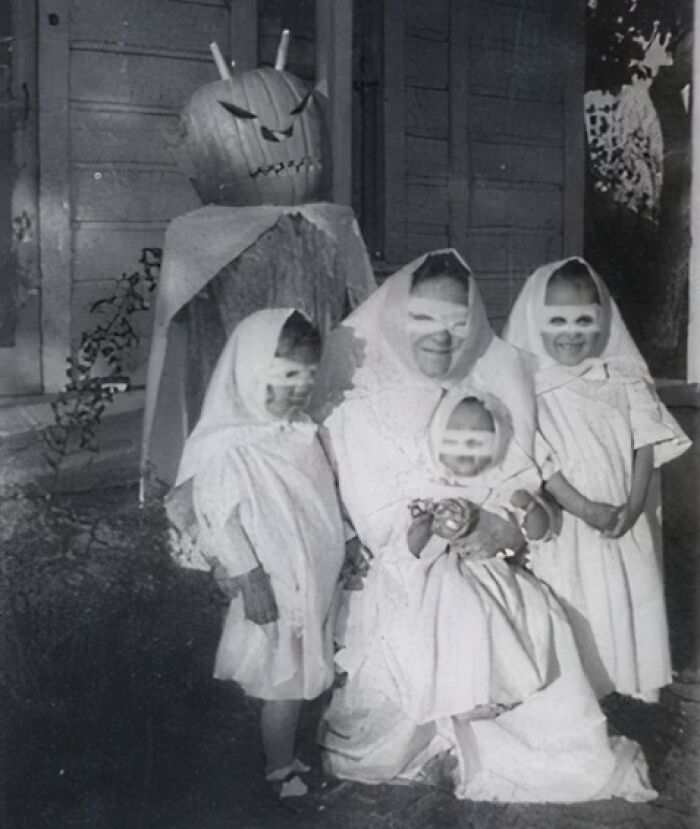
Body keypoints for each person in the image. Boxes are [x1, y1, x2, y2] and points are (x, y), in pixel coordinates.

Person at [313, 249, 656, 802]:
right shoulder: (360, 403)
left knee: (533, 627)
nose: (442, 337)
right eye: (426, 320)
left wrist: (500, 527)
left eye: (457, 323)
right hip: (402, 572)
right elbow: (352, 506)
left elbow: (521, 485)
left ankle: (483, 736)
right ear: (401, 318)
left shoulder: (494, 385)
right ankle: (436, 740)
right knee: (395, 676)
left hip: (482, 566)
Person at [166, 308, 345, 798]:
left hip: (314, 574)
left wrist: (345, 540)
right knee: (282, 683)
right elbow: (218, 520)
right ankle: (278, 770)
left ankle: (290, 755)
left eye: (308, 374)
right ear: (249, 371)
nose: (301, 386)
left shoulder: (302, 433)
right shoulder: (230, 446)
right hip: (276, 580)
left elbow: (322, 497)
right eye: (287, 374)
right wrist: (249, 578)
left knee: (306, 671)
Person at [503, 257, 690, 702]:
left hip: (624, 513)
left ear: (602, 320)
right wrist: (584, 508)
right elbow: (541, 462)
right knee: (578, 602)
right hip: (572, 520)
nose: (571, 332)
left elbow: (645, 441)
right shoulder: (531, 389)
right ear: (536, 320)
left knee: (626, 597)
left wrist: (635, 503)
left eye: (584, 319)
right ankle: (581, 694)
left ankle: (625, 687)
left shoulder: (621, 378)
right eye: (558, 320)